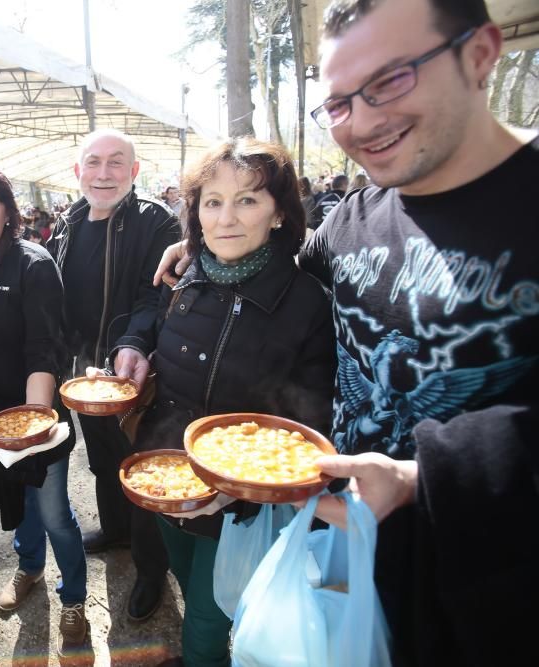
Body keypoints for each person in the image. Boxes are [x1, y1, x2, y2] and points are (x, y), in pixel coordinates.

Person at [157, 0, 538, 663]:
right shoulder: (353, 220)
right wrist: (198, 254)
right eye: (336, 103)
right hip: (340, 558)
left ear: (479, 54)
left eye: (391, 79)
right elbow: (266, 283)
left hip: (489, 593)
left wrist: (420, 479)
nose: (360, 121)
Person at [133, 138, 335, 667]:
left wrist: (247, 481)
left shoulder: (306, 300)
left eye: (247, 200)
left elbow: (313, 412)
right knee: (182, 572)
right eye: (212, 201)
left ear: (277, 213)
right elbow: (149, 325)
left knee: (206, 621)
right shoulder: (185, 275)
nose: (227, 218)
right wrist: (130, 347)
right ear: (196, 213)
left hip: (241, 504)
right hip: (168, 477)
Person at [0, 164, 89, 657]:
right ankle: (29, 568)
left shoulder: (32, 263)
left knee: (53, 511)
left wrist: (29, 429)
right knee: (18, 501)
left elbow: (45, 349)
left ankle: (73, 600)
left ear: (8, 211)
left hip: (34, 416)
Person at [46, 128, 179, 621]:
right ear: (77, 171)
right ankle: (116, 530)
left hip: (132, 372)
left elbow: (156, 295)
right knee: (101, 459)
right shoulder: (68, 223)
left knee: (138, 466)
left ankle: (150, 569)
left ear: (134, 171)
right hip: (84, 375)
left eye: (116, 162)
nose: (104, 173)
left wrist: (132, 343)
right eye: (94, 163)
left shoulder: (154, 221)